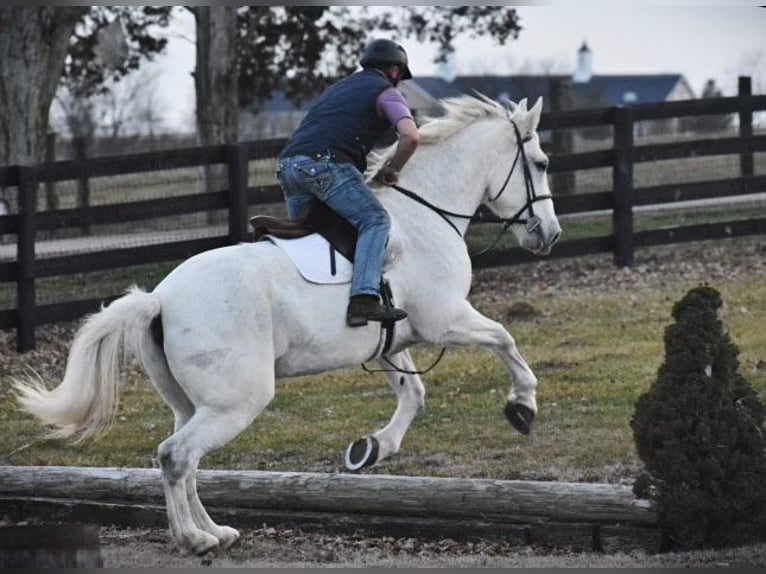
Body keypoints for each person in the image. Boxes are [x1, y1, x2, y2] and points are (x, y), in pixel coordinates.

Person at [276, 39, 420, 328]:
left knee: (312, 234)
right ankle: (364, 300)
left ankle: (314, 305)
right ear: (394, 70)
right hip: (325, 164)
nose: (399, 84)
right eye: (400, 77)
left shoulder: (337, 89)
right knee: (375, 220)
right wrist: (392, 169)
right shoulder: (387, 93)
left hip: (288, 166)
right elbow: (411, 136)